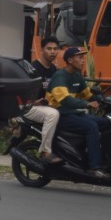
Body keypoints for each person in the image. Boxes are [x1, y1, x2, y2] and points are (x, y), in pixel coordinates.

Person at [46, 47, 111, 179]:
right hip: (60, 114)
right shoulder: (60, 76)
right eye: (80, 58)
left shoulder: (77, 75)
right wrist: (86, 104)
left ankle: (105, 158)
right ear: (70, 60)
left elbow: (86, 94)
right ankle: (95, 167)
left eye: (83, 58)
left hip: (73, 113)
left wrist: (103, 99)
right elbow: (65, 100)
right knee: (91, 127)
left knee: (107, 123)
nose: (83, 61)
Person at [17, 36, 63, 164]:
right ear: (42, 50)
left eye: (55, 49)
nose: (52, 52)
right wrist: (33, 102)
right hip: (29, 107)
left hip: (45, 106)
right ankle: (44, 152)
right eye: (49, 49)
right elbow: (22, 91)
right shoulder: (32, 68)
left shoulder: (54, 70)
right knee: (53, 115)